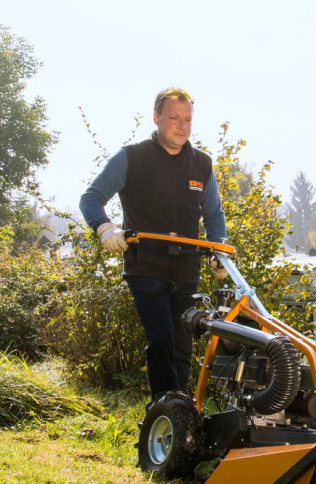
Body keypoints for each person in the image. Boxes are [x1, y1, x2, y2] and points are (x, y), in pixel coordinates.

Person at [79, 87, 227, 401]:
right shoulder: (132, 157)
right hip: (146, 267)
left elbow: (214, 215)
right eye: (174, 118)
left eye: (188, 119)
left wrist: (218, 250)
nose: (182, 126)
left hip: (186, 269)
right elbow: (90, 198)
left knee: (183, 345)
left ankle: (179, 411)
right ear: (157, 117)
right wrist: (106, 229)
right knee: (161, 339)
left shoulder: (202, 164)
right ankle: (167, 409)